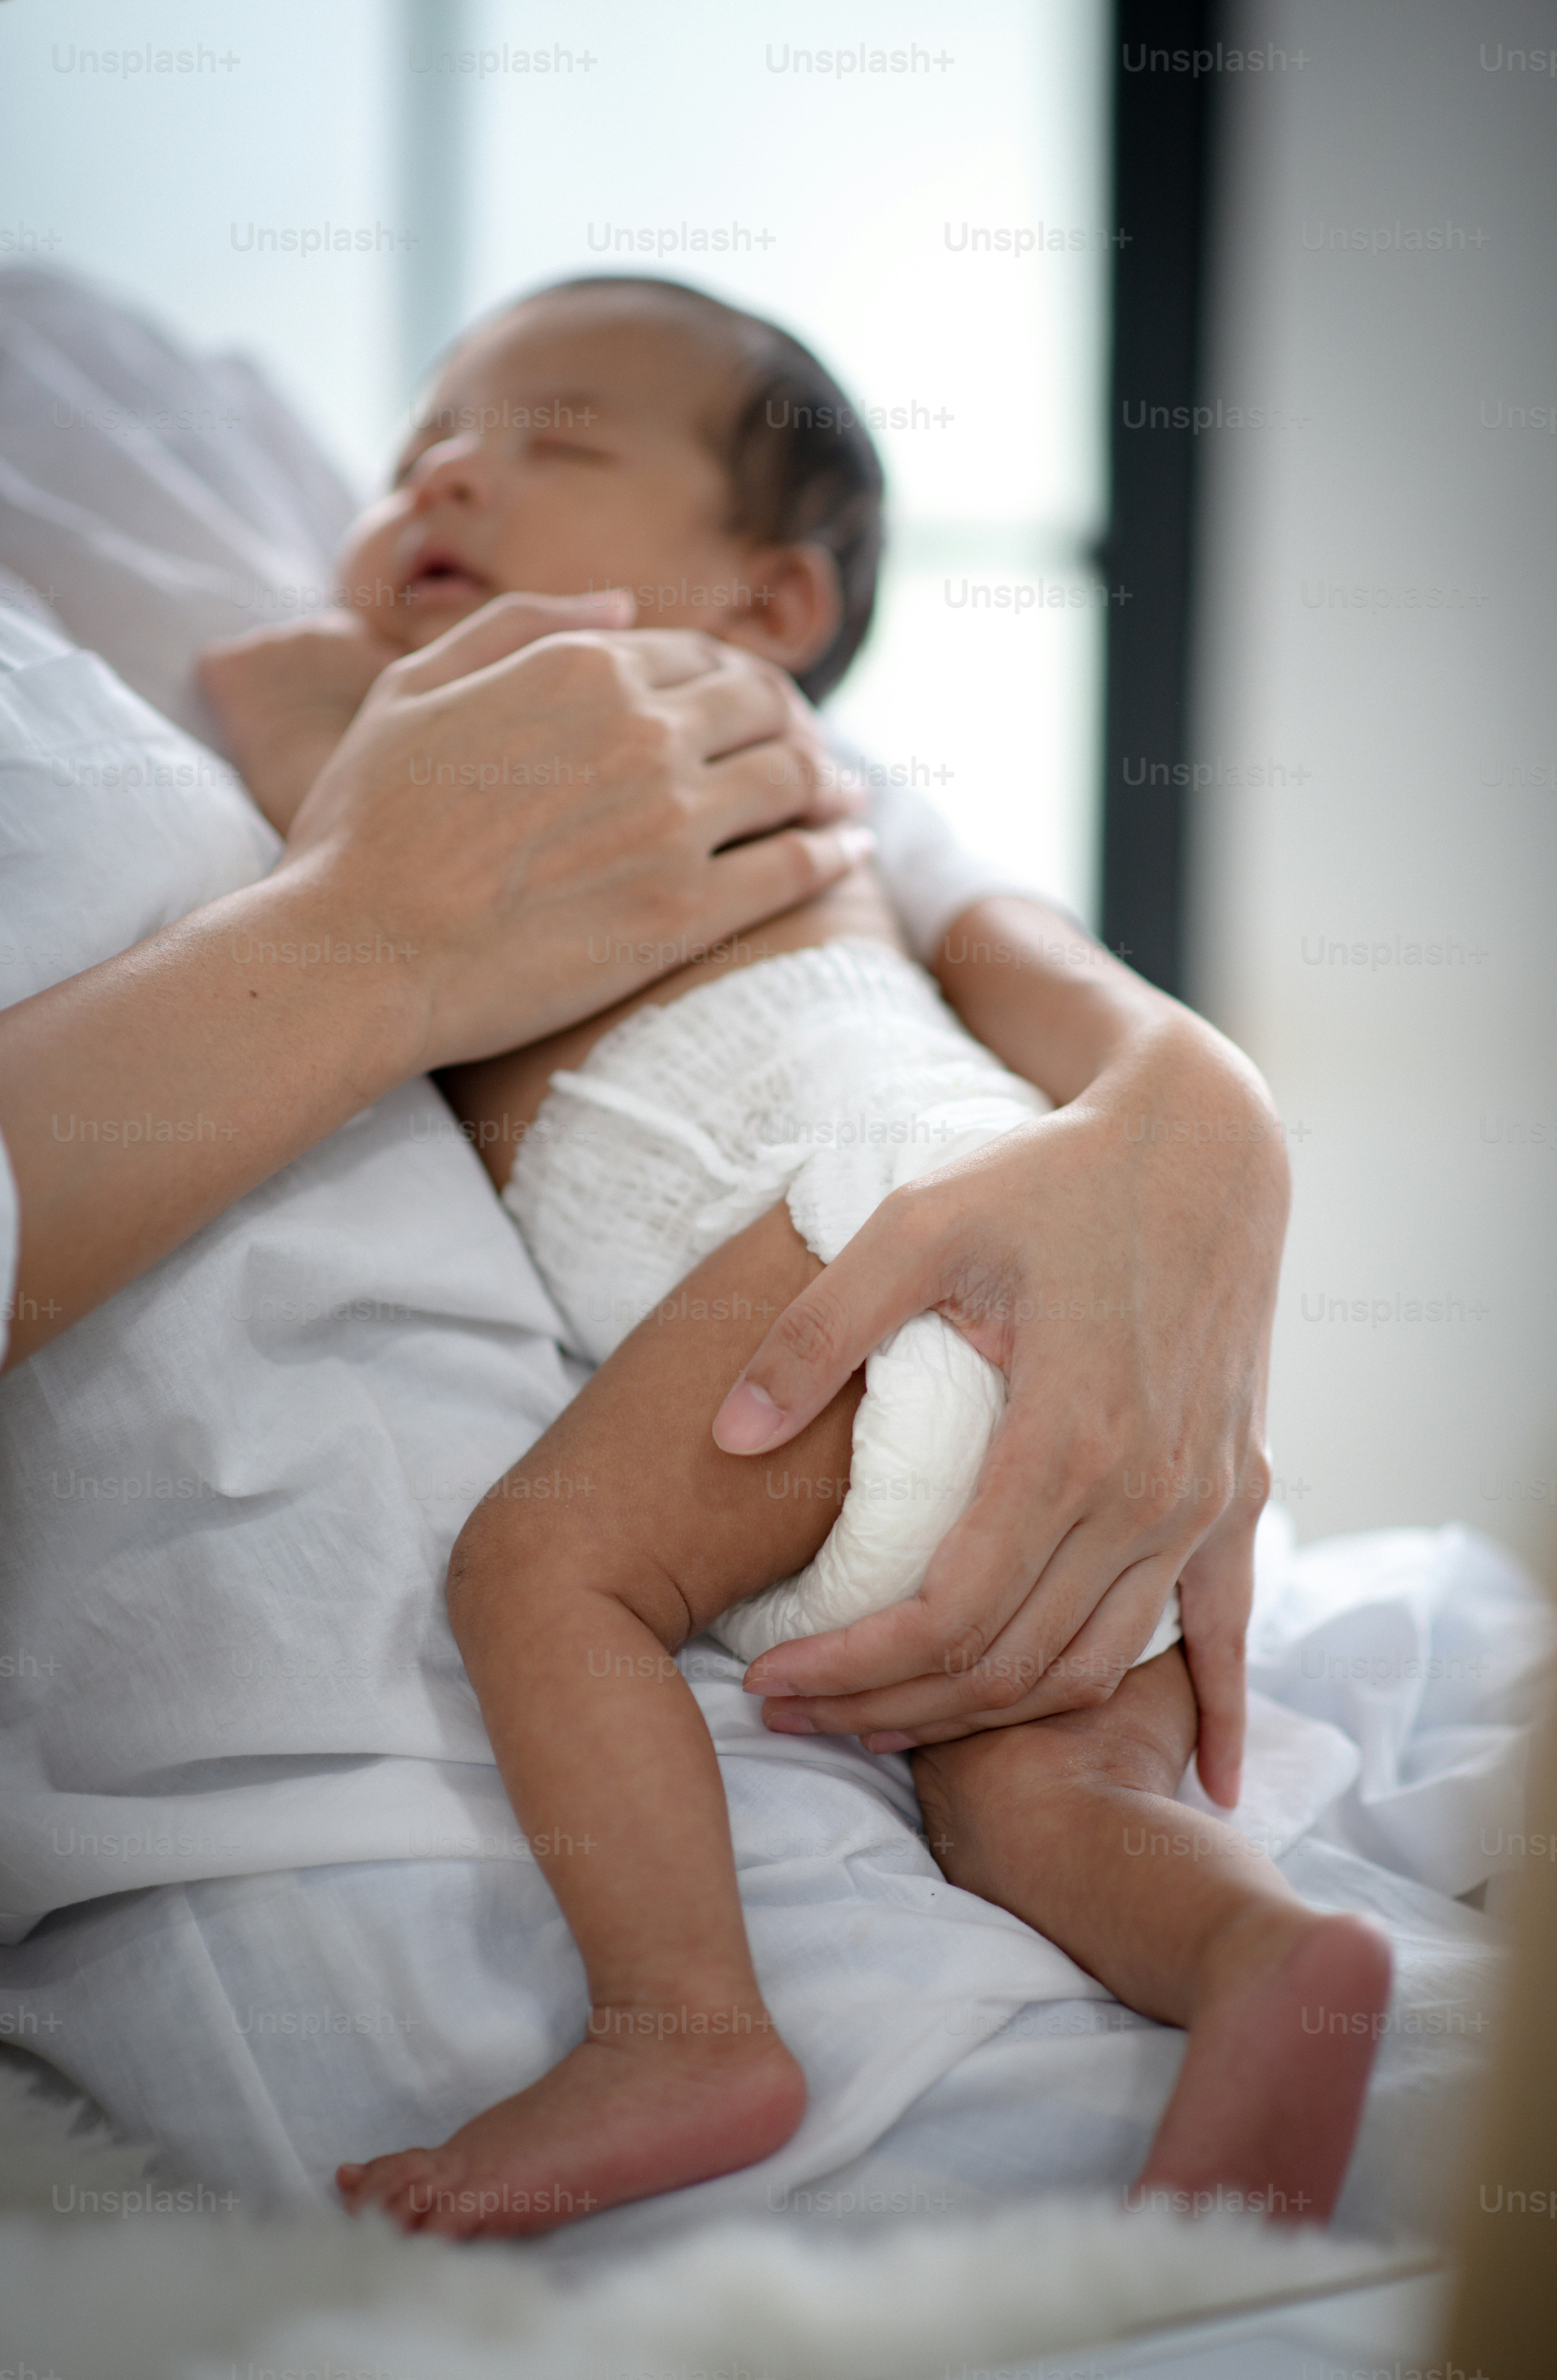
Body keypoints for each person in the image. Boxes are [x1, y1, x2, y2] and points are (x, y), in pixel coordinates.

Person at [198, 277, 1389, 2240]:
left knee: (542, 1567)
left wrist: (337, 646)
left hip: (866, 1215)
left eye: (554, 439)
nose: (452, 471)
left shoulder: (625, 720)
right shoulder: (822, 820)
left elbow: (275, 713)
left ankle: (681, 2025)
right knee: (1026, 1793)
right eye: (415, 456)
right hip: (1030, 1351)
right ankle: (1264, 1962)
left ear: (765, 613)